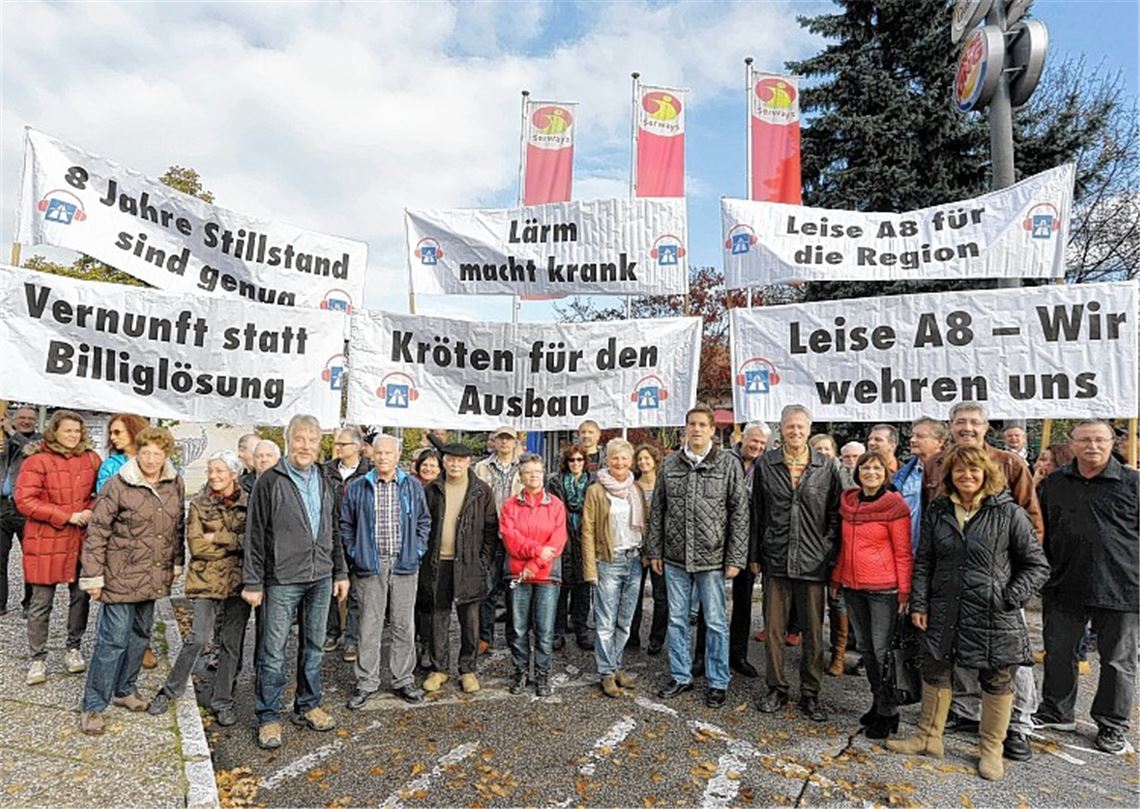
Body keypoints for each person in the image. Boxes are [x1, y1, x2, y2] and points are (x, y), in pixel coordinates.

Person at [887, 445, 1048, 781]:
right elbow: (926, 561)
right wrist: (919, 603)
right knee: (935, 670)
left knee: (996, 678)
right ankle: (928, 738)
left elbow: (1036, 565)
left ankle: (991, 749)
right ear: (949, 476)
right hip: (943, 607)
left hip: (993, 611)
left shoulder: (1008, 513)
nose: (966, 476)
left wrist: (1010, 597)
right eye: (959, 470)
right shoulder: (939, 511)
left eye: (974, 469)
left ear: (986, 473)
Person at [923, 402, 1043, 761]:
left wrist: (1012, 591)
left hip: (997, 585)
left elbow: (1031, 524)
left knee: (1007, 663)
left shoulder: (1011, 463)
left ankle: (1018, 727)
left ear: (986, 426)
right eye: (960, 422)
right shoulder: (937, 464)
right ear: (950, 426)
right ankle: (965, 712)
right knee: (954, 655)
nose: (967, 427)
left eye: (974, 422)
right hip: (952, 581)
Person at [242, 415, 349, 750]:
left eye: (312, 439)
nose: (306, 446)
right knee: (273, 652)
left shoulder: (325, 479)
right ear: (289, 441)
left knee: (314, 646)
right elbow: (254, 534)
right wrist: (253, 581)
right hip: (281, 579)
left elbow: (334, 529)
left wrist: (340, 571)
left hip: (320, 576)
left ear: (320, 444)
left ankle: (308, 705)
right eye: (300, 438)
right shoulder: (270, 481)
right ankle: (269, 716)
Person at [1033, 420, 1139, 755]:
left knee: (1117, 661)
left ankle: (1111, 725)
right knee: (1060, 652)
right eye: (1085, 440)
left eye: (1100, 440)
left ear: (1113, 443)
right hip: (1065, 582)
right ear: (1073, 444)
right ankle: (1055, 711)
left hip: (1122, 587)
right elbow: (1040, 530)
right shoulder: (1054, 483)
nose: (1092, 446)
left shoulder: (1133, 483)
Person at [77, 427, 184, 735]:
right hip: (120, 575)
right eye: (146, 452)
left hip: (152, 575)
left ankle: (125, 690)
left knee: (140, 636)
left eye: (157, 453)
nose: (151, 459)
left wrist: (176, 563)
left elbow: (176, 528)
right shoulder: (118, 484)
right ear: (138, 452)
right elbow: (97, 533)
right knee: (112, 641)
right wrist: (93, 577)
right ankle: (93, 706)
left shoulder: (173, 483)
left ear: (166, 455)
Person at [647, 404, 749, 709]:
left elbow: (739, 513)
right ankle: (681, 676)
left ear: (712, 430)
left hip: (713, 558)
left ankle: (718, 681)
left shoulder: (728, 465)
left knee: (716, 622)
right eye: (691, 424)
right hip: (675, 557)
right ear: (685, 429)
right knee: (677, 621)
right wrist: (655, 549)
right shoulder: (669, 465)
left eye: (702, 424)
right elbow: (658, 511)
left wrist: (736, 557)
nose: (696, 429)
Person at [752, 404, 842, 722]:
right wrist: (755, 555)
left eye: (801, 427)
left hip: (813, 561)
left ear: (809, 429)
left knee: (813, 632)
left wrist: (826, 550)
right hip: (775, 557)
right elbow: (757, 513)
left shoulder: (826, 467)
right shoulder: (766, 464)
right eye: (789, 427)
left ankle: (811, 693)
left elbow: (835, 514)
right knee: (774, 630)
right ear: (781, 428)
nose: (795, 432)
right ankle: (776, 687)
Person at [147, 451, 250, 725]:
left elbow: (252, 542)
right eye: (211, 471)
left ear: (234, 473)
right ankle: (170, 690)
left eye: (219, 471)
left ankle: (223, 700)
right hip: (206, 579)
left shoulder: (248, 502)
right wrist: (233, 544)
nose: (214, 476)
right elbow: (198, 547)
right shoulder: (199, 504)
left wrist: (219, 537)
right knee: (198, 638)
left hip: (239, 581)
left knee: (231, 644)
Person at [340, 434, 431, 708]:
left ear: (396, 455)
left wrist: (416, 551)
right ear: (371, 455)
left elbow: (424, 521)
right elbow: (346, 525)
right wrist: (357, 554)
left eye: (388, 453)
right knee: (369, 624)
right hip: (370, 563)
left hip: (404, 563)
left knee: (404, 624)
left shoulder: (412, 486)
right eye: (378, 453)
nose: (382, 457)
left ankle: (403, 679)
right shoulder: (358, 487)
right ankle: (367, 682)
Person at [16, 410, 101, 685]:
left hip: (81, 540)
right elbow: (25, 500)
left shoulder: (91, 458)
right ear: (55, 431)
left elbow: (101, 493)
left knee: (80, 598)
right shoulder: (37, 460)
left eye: (77, 431)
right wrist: (66, 516)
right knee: (41, 602)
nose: (73, 436)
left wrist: (89, 511)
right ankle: (38, 658)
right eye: (68, 431)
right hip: (46, 540)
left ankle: (73, 647)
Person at [831, 451, 912, 738]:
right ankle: (878, 702)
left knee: (882, 653)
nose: (871, 472)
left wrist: (904, 592)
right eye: (866, 467)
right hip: (854, 587)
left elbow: (903, 552)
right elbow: (844, 547)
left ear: (886, 472)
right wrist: (837, 578)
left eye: (877, 468)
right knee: (865, 648)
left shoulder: (894, 505)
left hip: (884, 589)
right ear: (858, 472)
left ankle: (889, 712)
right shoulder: (849, 502)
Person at [421, 444, 497, 694]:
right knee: (438, 616)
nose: (454, 464)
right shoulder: (432, 489)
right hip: (437, 562)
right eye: (450, 460)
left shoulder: (481, 491)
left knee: (470, 619)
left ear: (468, 462)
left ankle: (468, 669)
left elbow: (490, 530)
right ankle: (439, 668)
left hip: (469, 564)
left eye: (460, 460)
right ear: (443, 462)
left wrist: (482, 562)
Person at [581, 439, 645, 697]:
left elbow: (645, 524)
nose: (619, 463)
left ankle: (616, 665)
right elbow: (587, 530)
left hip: (634, 560)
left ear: (630, 461)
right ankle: (606, 673)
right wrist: (590, 569)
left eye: (624, 458)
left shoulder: (636, 489)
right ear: (607, 460)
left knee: (625, 621)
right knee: (605, 622)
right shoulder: (597, 490)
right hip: (608, 561)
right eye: (614, 458)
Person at [500, 453, 567, 697]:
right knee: (518, 628)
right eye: (528, 472)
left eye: (537, 472)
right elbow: (510, 538)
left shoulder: (556, 505)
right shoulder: (510, 505)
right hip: (518, 576)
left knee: (544, 629)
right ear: (521, 475)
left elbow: (558, 541)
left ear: (544, 473)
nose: (533, 476)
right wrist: (538, 551)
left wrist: (535, 563)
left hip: (547, 577)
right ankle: (520, 672)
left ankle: (542, 674)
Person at [321, 427, 372, 663]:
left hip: (359, 537)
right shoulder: (326, 471)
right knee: (330, 588)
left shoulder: (368, 472)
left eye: (343, 444)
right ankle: (332, 633)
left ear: (357, 447)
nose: (338, 448)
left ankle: (352, 639)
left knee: (356, 592)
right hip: (330, 537)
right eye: (336, 444)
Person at [474, 426, 522, 653]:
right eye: (501, 438)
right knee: (487, 587)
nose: (504, 443)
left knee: (515, 588)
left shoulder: (525, 466)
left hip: (517, 535)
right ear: (494, 441)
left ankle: (515, 637)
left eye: (508, 439)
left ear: (515, 442)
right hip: (490, 533)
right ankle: (485, 637)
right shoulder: (481, 468)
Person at [547, 444, 596, 651]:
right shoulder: (555, 482)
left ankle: (581, 628)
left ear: (585, 462)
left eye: (579, 460)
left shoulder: (593, 483)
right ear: (566, 463)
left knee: (583, 587)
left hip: (585, 538)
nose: (575, 464)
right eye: (571, 460)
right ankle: (558, 631)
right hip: (562, 537)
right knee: (561, 586)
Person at [2, 405, 42, 617]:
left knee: (31, 558)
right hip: (2, 506)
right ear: (14, 418)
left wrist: (11, 432)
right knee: (0, 558)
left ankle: (29, 603)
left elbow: (32, 450)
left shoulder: (40, 440)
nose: (26, 421)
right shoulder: (4, 439)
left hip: (27, 508)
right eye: (22, 418)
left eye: (30, 418)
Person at [628, 444, 667, 656]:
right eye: (640, 459)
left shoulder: (664, 483)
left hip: (660, 548)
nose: (643, 462)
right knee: (634, 594)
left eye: (647, 458)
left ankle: (656, 638)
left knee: (661, 596)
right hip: (637, 547)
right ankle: (632, 636)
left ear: (655, 460)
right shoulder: (632, 486)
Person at [892, 418, 947, 552]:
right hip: (908, 552)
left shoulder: (950, 472)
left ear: (939, 442)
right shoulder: (901, 476)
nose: (912, 440)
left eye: (920, 436)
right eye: (912, 435)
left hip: (939, 552)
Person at [96, 413, 149, 493]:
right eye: (111, 433)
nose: (112, 437)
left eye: (117, 432)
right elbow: (104, 495)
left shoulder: (158, 461)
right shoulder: (110, 465)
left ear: (134, 430)